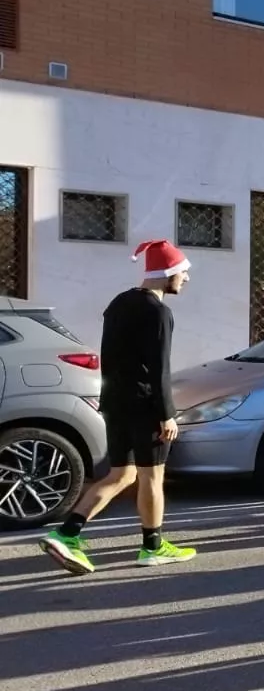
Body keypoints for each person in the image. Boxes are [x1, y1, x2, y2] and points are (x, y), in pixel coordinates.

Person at [40, 240, 196, 574]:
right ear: (167, 273)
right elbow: (159, 368)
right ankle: (153, 547)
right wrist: (167, 413)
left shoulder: (120, 303)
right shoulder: (158, 312)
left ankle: (66, 534)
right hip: (145, 407)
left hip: (115, 404)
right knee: (152, 476)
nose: (186, 278)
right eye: (182, 271)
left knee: (121, 473)